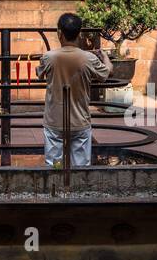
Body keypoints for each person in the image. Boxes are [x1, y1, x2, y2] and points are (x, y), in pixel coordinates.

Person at [39, 12, 111, 169]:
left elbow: (39, 74)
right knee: (80, 167)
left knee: (54, 166)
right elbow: (106, 73)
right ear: (79, 34)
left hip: (54, 121)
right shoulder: (89, 58)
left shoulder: (48, 57)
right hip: (80, 121)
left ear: (59, 33)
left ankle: (55, 190)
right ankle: (77, 191)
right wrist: (104, 57)